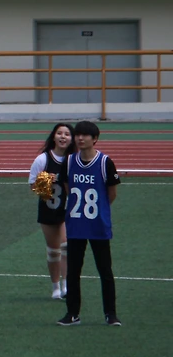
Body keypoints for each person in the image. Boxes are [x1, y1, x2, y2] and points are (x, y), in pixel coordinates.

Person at [57, 121, 121, 327]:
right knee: (73, 271)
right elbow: (67, 187)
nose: (80, 138)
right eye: (78, 135)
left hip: (98, 225)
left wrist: (99, 210)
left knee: (105, 270)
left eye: (85, 135)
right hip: (76, 225)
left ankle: (110, 314)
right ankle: (72, 313)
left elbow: (111, 193)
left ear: (95, 139)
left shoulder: (105, 162)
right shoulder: (69, 162)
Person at [29, 122, 74, 300]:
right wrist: (45, 181)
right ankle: (55, 287)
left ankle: (66, 285)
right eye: (59, 133)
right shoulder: (43, 159)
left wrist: (63, 180)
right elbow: (32, 185)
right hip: (48, 209)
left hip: (67, 209)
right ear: (53, 136)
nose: (63, 137)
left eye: (67, 134)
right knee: (53, 250)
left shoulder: (74, 160)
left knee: (66, 246)